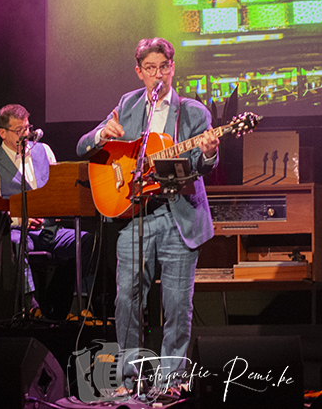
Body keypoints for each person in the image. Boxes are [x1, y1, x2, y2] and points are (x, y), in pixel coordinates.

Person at [77, 38, 219, 394]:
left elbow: (202, 165)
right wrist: (100, 135)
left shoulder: (194, 113)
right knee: (125, 300)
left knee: (176, 306)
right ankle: (127, 379)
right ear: (139, 72)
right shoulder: (127, 105)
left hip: (178, 217)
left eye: (164, 67)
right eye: (151, 69)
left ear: (173, 68)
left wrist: (210, 151)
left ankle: (170, 382)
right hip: (135, 215)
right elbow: (83, 147)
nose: (158, 75)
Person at [0, 104, 92, 320]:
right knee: (16, 246)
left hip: (49, 230)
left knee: (86, 241)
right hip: (19, 232)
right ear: (3, 133)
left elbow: (57, 188)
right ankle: (31, 307)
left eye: (27, 128)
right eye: (19, 131)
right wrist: (21, 219)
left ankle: (74, 306)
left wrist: (58, 206)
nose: (26, 134)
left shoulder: (43, 150)